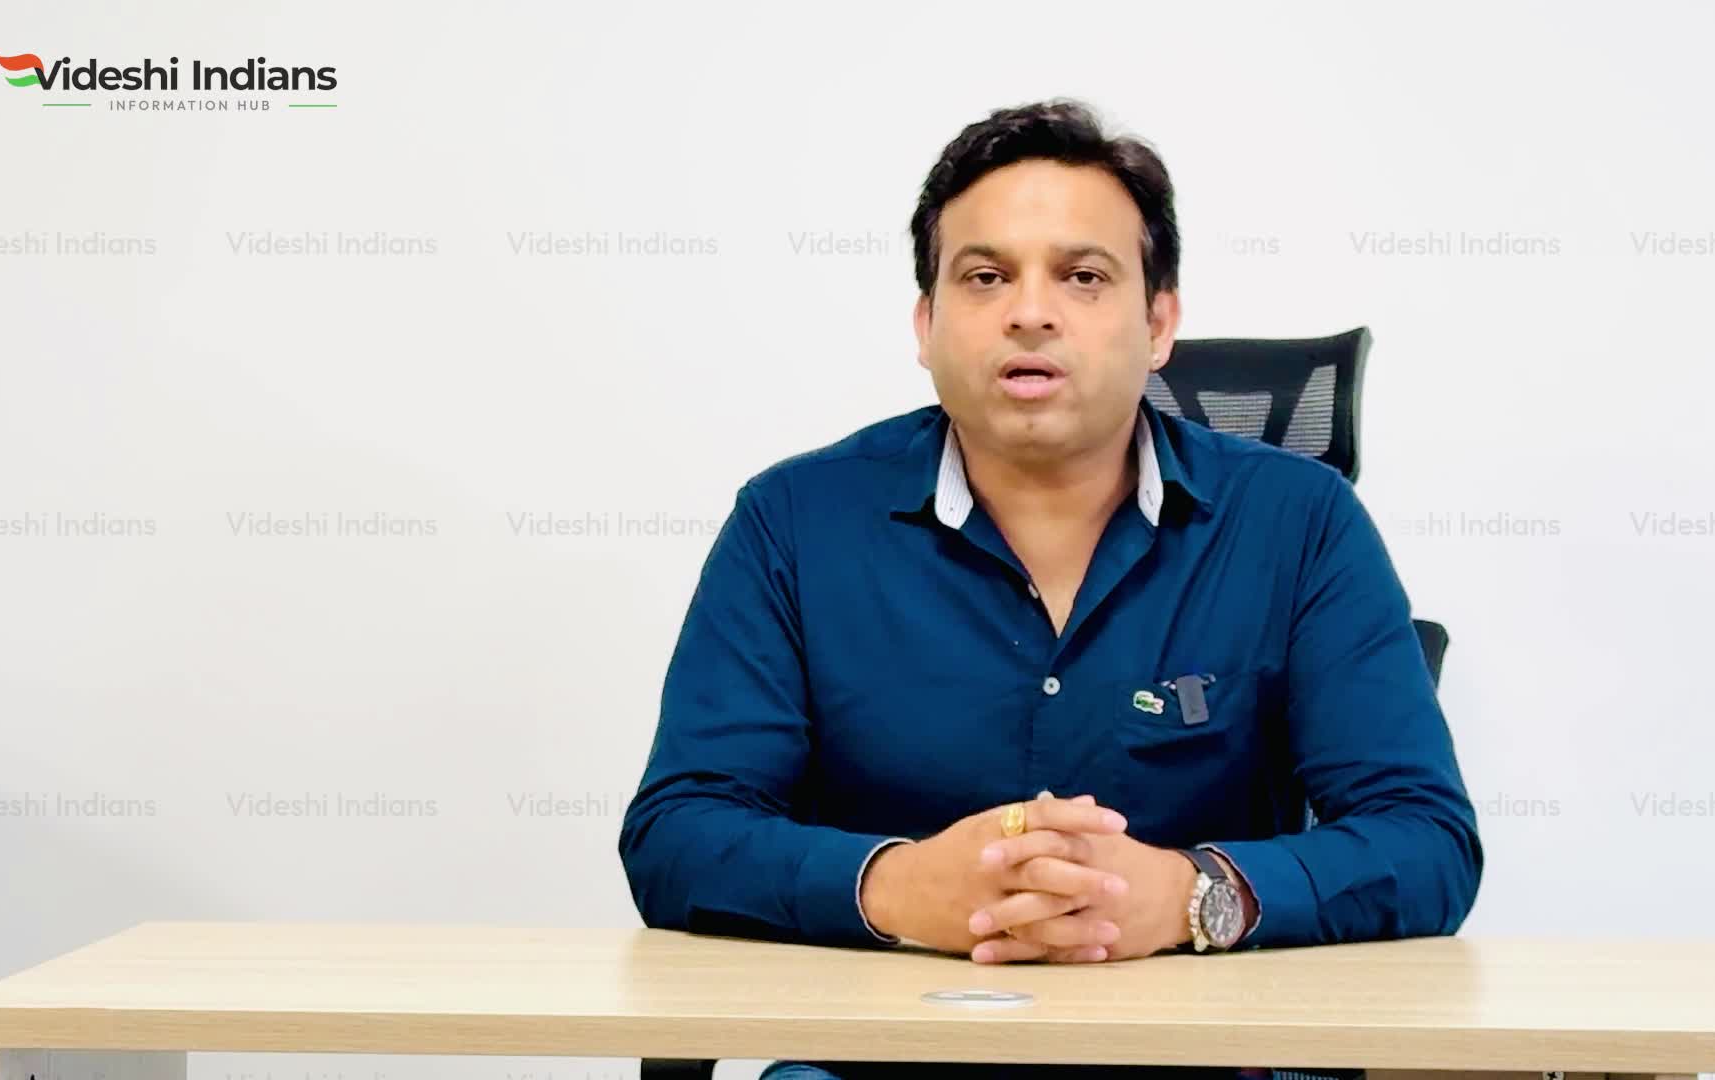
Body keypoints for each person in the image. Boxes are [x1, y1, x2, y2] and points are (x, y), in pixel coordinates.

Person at [618, 98, 1483, 1080]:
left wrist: (1191, 896)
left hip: (1201, 1065)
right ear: (926, 323)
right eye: (985, 277)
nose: (1030, 312)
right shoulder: (791, 522)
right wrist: (898, 888)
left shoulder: (1301, 523)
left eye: (1083, 276)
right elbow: (678, 832)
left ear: (1159, 323)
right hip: (884, 1061)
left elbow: (1426, 841)